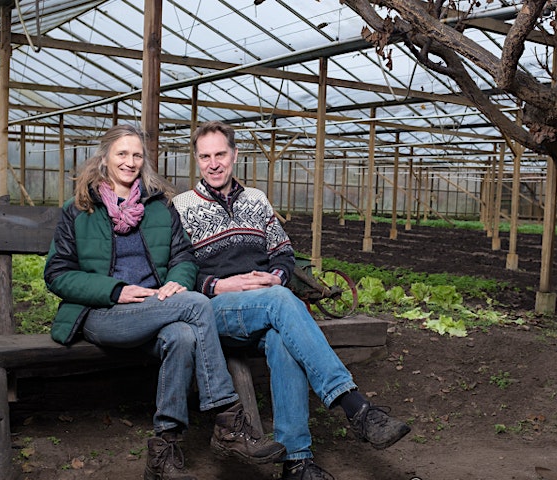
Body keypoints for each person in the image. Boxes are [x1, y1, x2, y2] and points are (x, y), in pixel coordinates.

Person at [43, 124, 285, 480]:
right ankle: (229, 421)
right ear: (105, 158)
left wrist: (177, 281)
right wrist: (115, 291)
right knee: (197, 306)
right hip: (103, 313)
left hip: (158, 306)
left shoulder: (158, 206)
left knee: (184, 337)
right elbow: (57, 273)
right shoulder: (79, 210)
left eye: (137, 155)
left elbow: (184, 257)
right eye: (122, 154)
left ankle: (164, 447)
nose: (130, 162)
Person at [173, 120, 411, 480]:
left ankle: (296, 462)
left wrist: (276, 277)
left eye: (220, 153)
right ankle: (356, 407)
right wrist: (220, 286)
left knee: (284, 338)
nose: (214, 163)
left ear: (234, 155)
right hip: (215, 312)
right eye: (205, 156)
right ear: (197, 160)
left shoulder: (256, 200)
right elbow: (177, 270)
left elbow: (283, 253)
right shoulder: (182, 207)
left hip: (266, 306)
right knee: (281, 302)